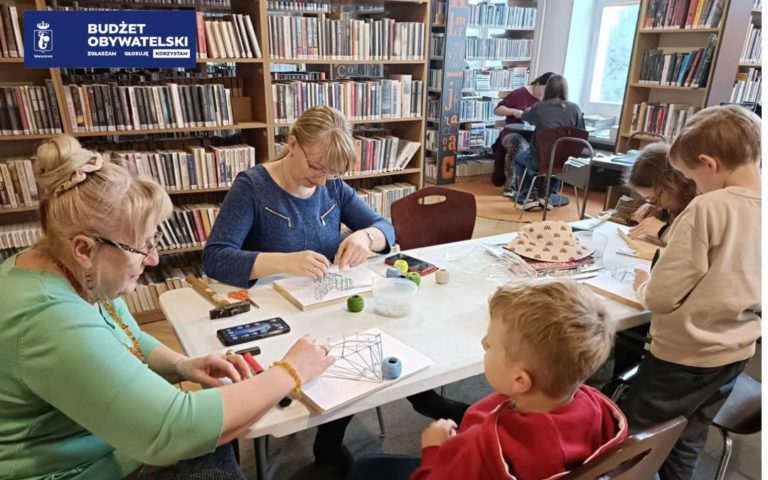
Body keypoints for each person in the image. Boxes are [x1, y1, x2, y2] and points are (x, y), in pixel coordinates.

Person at [0, 135, 335, 479]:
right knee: (216, 439)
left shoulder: (61, 269)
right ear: (84, 249)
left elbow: (126, 337)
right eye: (142, 246)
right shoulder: (46, 319)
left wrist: (183, 365)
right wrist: (291, 372)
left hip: (110, 444)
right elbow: (176, 431)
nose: (154, 257)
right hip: (84, 470)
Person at [202, 105, 468, 474]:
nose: (323, 180)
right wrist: (282, 261)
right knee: (345, 354)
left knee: (378, 340)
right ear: (292, 144)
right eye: (317, 168)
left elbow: (384, 227)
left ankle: (411, 406)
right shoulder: (253, 187)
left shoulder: (332, 187)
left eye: (333, 172)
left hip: (328, 302)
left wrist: (366, 236)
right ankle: (339, 437)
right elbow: (215, 258)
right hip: (280, 311)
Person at [346, 279, 627, 480]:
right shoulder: (595, 407)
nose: (483, 343)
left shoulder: (484, 450)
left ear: (520, 381)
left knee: (365, 469)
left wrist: (433, 449)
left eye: (490, 344)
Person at [625, 105, 762, 479]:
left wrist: (644, 286)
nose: (693, 186)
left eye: (691, 176)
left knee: (637, 439)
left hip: (682, 355)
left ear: (709, 163)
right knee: (689, 437)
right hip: (734, 353)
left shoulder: (708, 207)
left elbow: (660, 298)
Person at [507, 74, 585, 209]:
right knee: (555, 160)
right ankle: (547, 195)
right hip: (566, 163)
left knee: (520, 158)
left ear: (547, 89)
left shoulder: (540, 107)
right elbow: (581, 132)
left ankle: (529, 194)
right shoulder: (575, 109)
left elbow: (526, 116)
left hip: (539, 161)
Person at [491, 72, 554, 188]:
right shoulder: (519, 94)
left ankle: (536, 186)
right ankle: (511, 185)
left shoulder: (549, 100)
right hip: (512, 133)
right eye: (544, 89)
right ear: (538, 83)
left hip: (535, 135)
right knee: (518, 144)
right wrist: (513, 111)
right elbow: (497, 110)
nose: (544, 94)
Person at [625, 142, 697, 243]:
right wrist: (660, 211)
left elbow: (694, 244)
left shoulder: (699, 205)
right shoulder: (674, 200)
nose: (656, 206)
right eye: (648, 199)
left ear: (673, 185)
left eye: (654, 199)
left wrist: (662, 230)